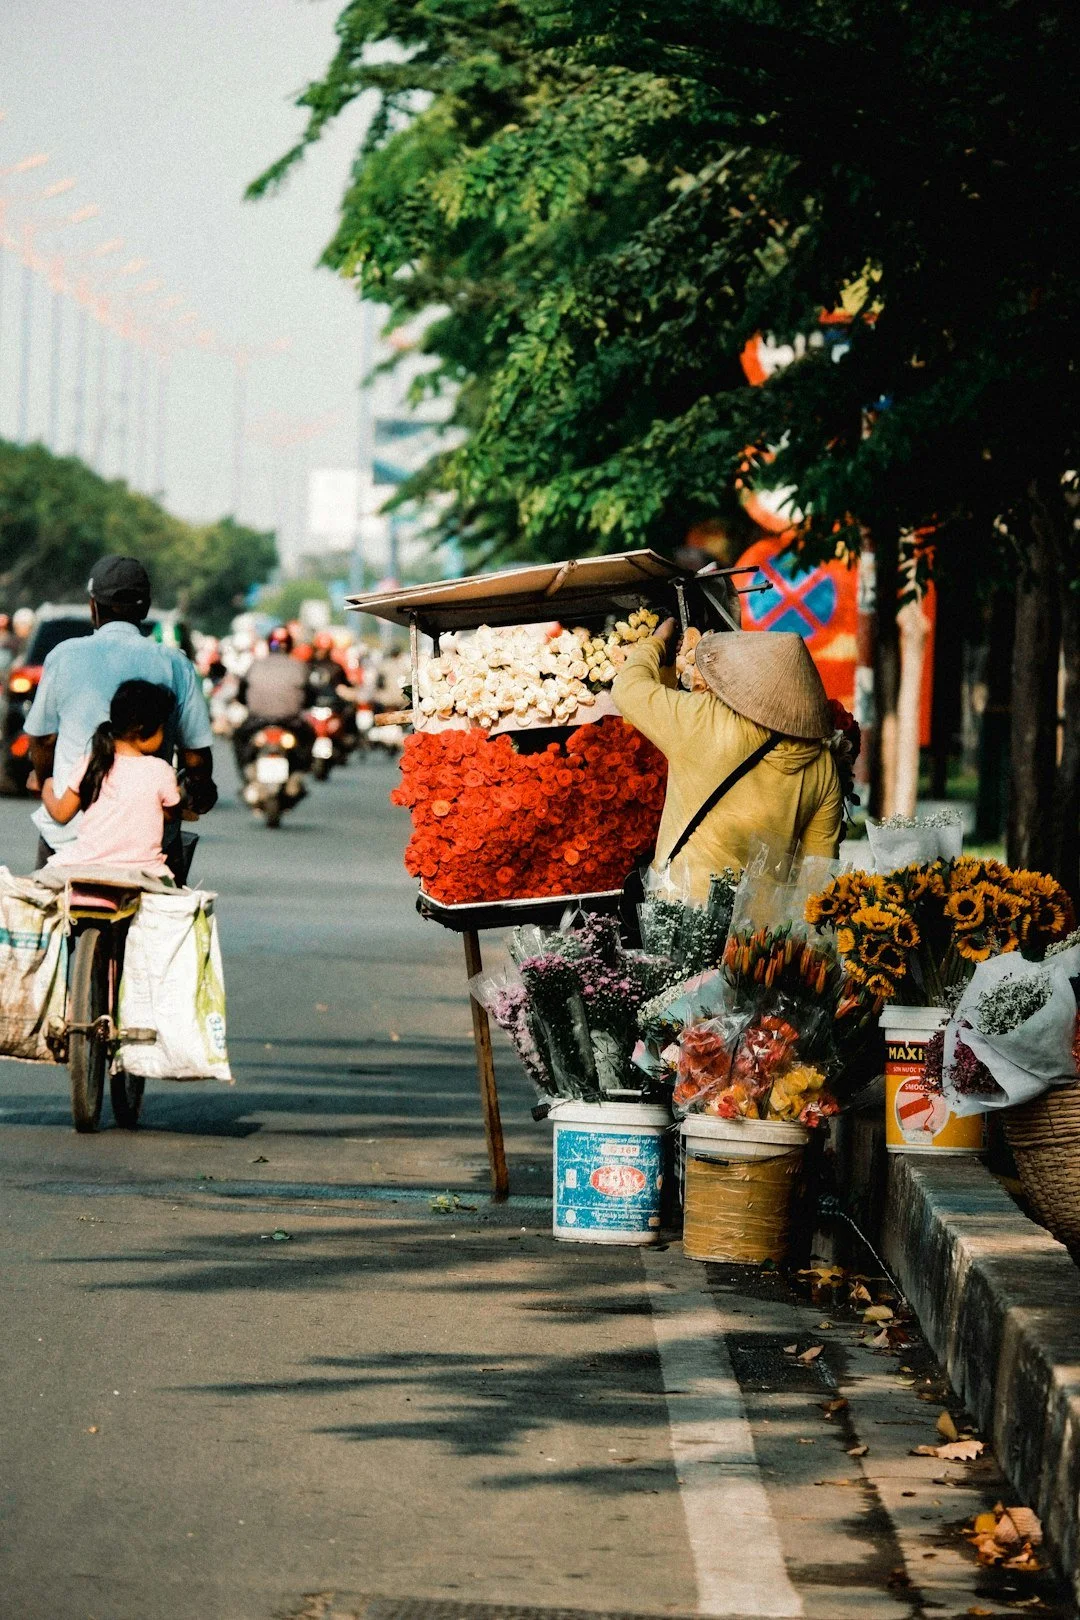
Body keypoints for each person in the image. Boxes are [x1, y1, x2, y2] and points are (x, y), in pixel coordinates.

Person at [612, 619, 842, 902]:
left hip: (682, 914)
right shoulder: (822, 764)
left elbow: (627, 688)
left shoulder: (704, 720)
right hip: (757, 935)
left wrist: (658, 641)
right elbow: (819, 874)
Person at [24, 556, 217, 874]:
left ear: (93, 606)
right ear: (145, 609)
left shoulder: (63, 656)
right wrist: (198, 787)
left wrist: (43, 779)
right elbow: (195, 756)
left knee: (44, 918)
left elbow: (43, 739)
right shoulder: (175, 664)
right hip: (147, 855)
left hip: (67, 843)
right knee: (170, 919)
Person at [39, 681, 183, 874]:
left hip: (86, 867)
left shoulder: (93, 764)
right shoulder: (160, 771)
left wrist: (47, 786)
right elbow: (171, 814)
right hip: (143, 871)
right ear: (143, 729)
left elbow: (61, 814)